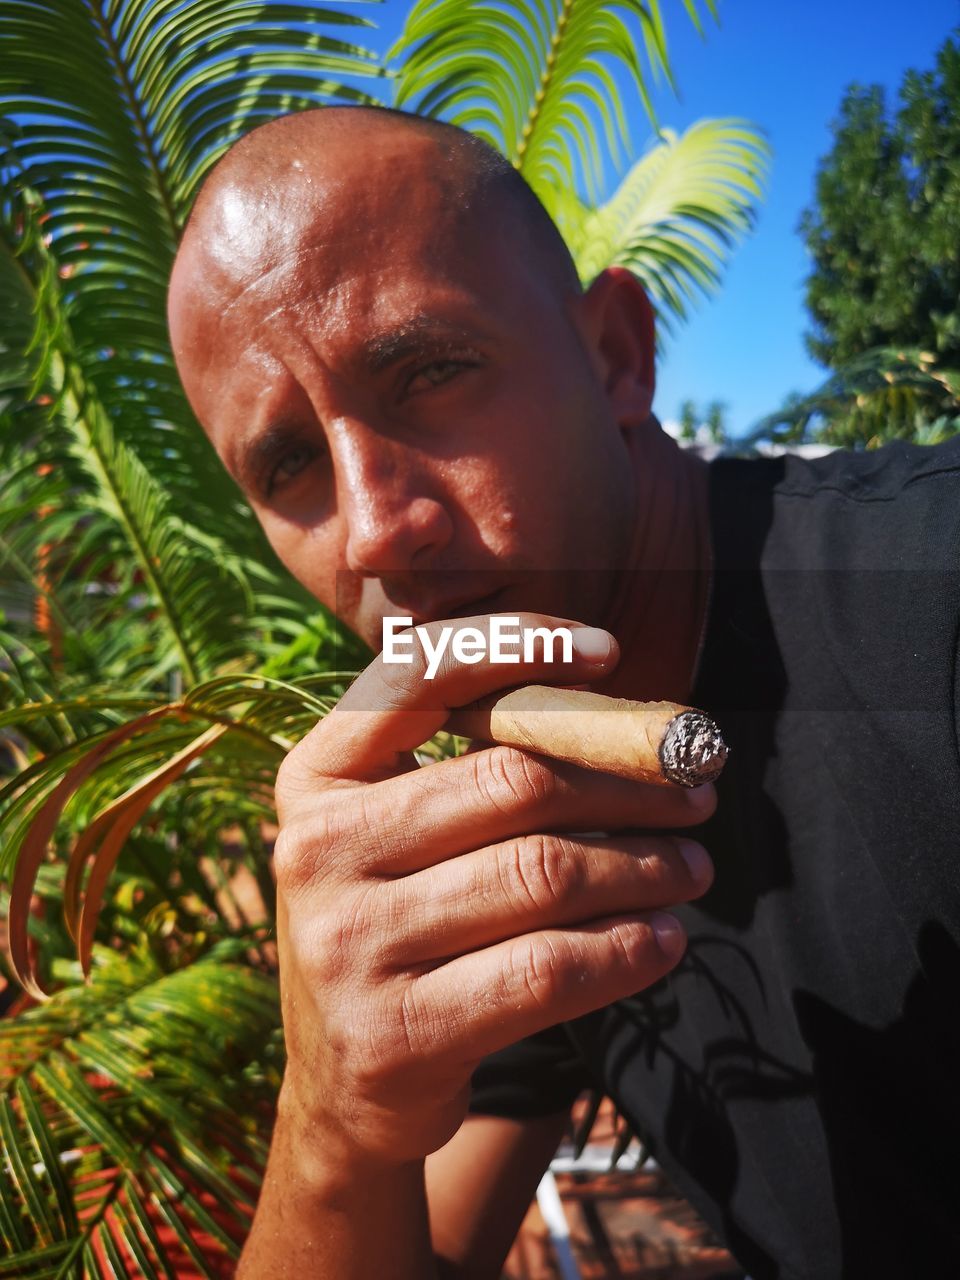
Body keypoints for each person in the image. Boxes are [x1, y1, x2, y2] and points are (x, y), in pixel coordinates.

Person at [167, 106, 960, 1280]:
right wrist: (333, 1135)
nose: (379, 531)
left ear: (616, 355)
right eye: (289, 464)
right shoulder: (506, 823)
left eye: (430, 370)